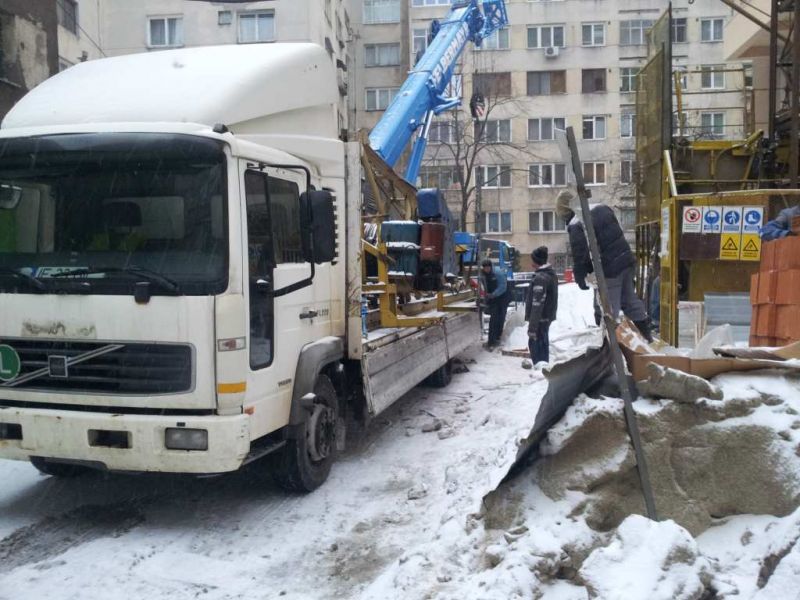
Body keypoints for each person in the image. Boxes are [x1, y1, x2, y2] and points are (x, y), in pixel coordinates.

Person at [555, 190, 653, 342]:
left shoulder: (578, 222)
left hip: (609, 269)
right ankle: (647, 338)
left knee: (607, 309)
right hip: (626, 260)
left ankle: (609, 347)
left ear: (566, 209)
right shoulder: (602, 208)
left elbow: (581, 253)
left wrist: (581, 274)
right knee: (630, 301)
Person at [525, 246, 558, 364]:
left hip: (540, 320)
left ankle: (540, 374)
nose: (531, 262)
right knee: (543, 349)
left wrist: (532, 328)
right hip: (545, 318)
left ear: (536, 261)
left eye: (532, 259)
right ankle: (543, 373)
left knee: (537, 350)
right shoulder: (550, 274)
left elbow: (537, 304)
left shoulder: (541, 278)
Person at [479, 258, 510, 348]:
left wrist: (493, 294)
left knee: (500, 318)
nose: (486, 270)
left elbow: (503, 286)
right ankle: (492, 341)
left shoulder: (498, 273)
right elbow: (482, 285)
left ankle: (496, 338)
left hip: (502, 297)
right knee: (494, 319)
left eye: (487, 268)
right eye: (485, 268)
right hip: (493, 298)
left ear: (490, 267)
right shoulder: (483, 274)